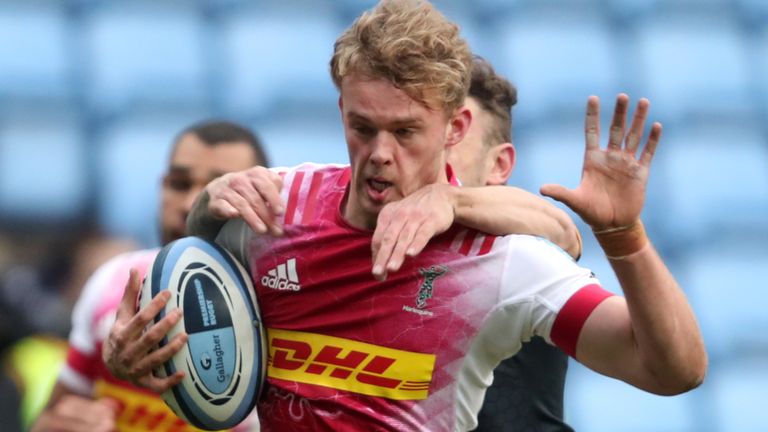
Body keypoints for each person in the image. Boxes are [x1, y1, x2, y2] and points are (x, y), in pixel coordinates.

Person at [105, 1, 707, 431]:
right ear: (341, 108)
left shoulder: (503, 262)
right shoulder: (271, 215)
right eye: (361, 128)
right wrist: (132, 357)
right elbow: (193, 304)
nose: (380, 155)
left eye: (406, 131)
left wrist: (624, 238)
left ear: (456, 127)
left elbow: (672, 371)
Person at [32, 121, 269, 432]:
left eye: (221, 188)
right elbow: (50, 420)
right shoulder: (113, 285)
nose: (189, 205)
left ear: (262, 201)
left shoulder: (287, 316)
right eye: (179, 184)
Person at [448, 57, 574, 431]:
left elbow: (561, 232)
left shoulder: (522, 251)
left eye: (455, 136)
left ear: (499, 166)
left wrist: (447, 201)